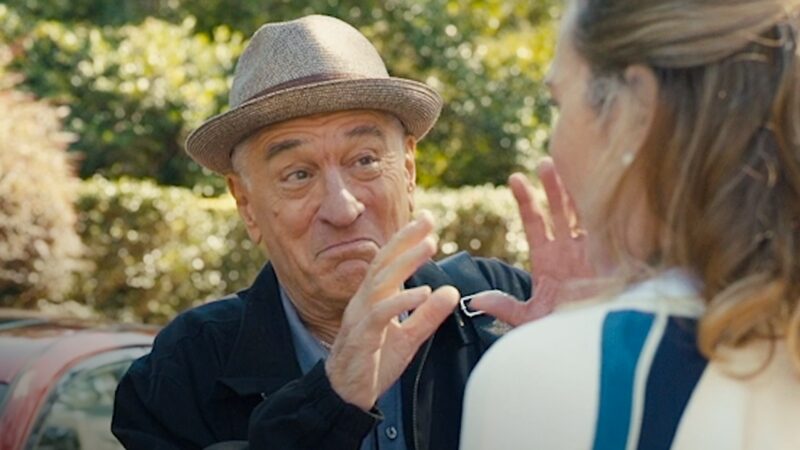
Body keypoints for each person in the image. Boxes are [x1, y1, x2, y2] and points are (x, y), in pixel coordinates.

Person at [111, 14, 584, 450]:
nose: (343, 207)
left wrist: (589, 367)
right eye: (298, 174)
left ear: (409, 171)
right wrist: (331, 398)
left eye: (365, 160)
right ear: (247, 205)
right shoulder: (181, 373)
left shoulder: (503, 311)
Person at [460, 0, 800, 448]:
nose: (553, 143)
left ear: (634, 108)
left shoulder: (539, 376)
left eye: (558, 103)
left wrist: (570, 345)